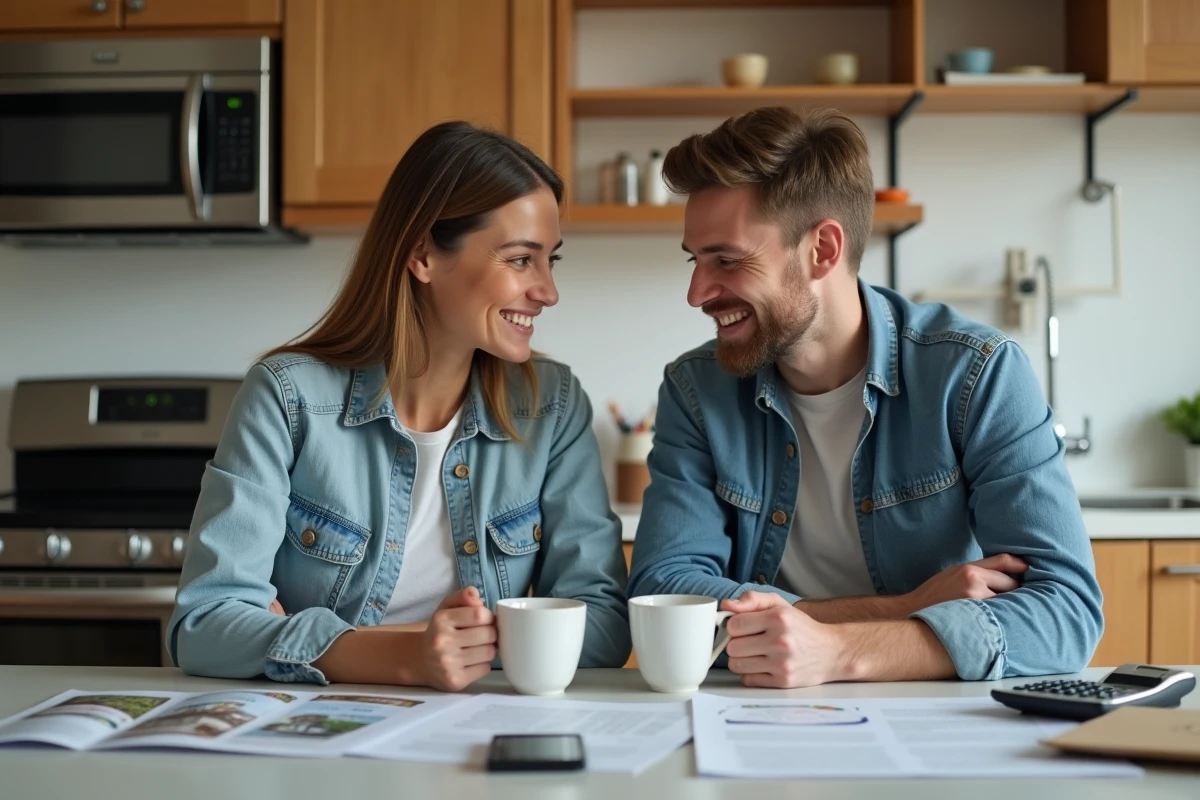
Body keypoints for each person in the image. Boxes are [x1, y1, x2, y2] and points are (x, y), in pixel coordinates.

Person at [629, 106, 1102, 688]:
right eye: (694, 260)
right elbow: (664, 589)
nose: (697, 291)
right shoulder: (696, 390)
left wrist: (840, 650)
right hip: (761, 713)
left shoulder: (974, 375)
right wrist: (904, 608)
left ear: (823, 249)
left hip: (934, 725)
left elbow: (1067, 612)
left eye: (726, 260)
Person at [169, 122, 631, 690]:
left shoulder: (551, 406)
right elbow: (204, 623)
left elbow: (605, 626)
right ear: (422, 256)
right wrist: (404, 656)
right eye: (519, 260)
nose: (548, 290)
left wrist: (458, 649)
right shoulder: (287, 397)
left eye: (550, 260)